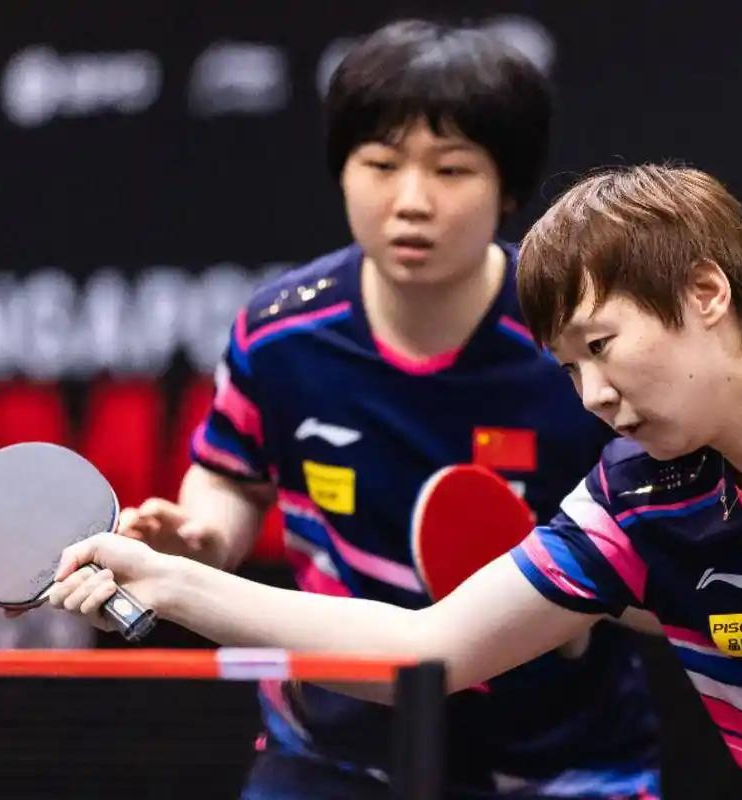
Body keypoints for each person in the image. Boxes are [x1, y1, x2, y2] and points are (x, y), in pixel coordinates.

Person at [51, 160, 742, 799]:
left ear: (705, 292)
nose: (592, 395)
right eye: (567, 368)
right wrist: (173, 583)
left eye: (602, 345)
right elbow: (426, 650)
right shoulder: (638, 500)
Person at [102, 20, 663, 800]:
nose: (411, 202)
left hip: (562, 762)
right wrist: (203, 536)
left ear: (507, 188)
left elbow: (667, 554)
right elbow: (230, 474)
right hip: (328, 752)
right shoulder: (279, 334)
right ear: (342, 172)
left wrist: (584, 595)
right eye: (381, 164)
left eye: (451, 169)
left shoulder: (571, 339)